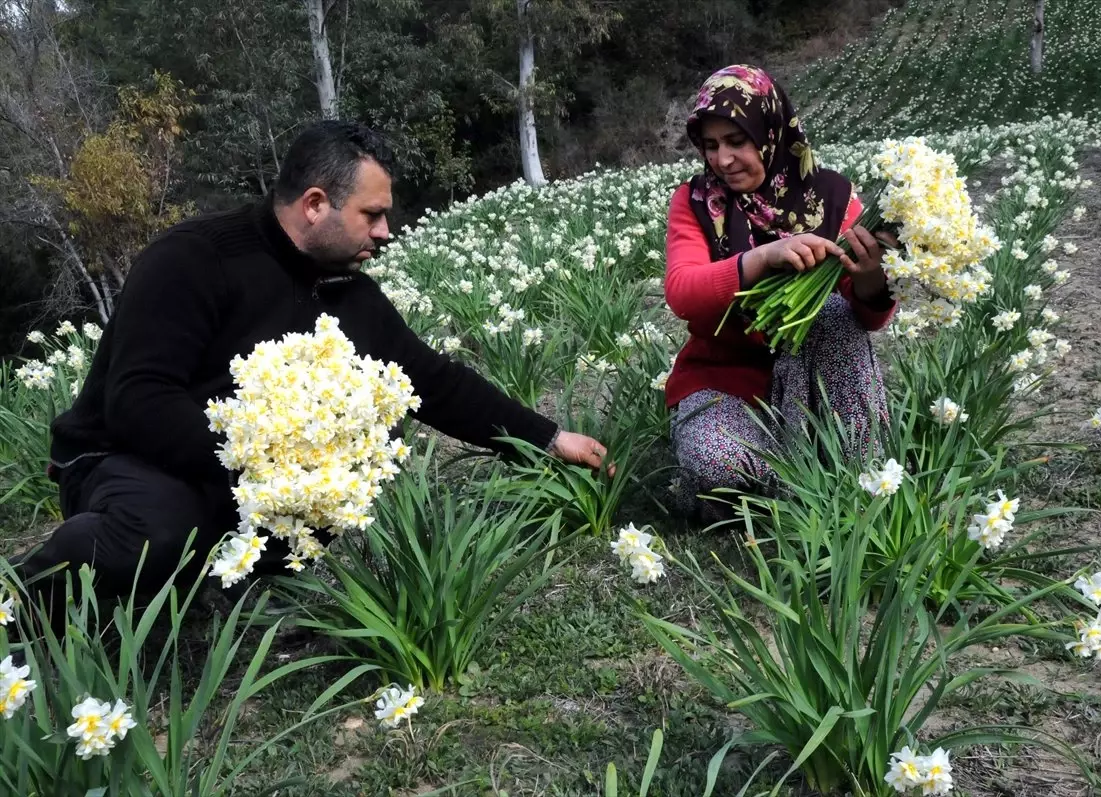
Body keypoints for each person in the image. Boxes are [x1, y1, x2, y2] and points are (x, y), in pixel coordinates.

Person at [12, 120, 611, 611]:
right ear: (316, 205)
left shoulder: (346, 291)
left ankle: (238, 573)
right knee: (157, 533)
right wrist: (273, 465)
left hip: (247, 474)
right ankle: (19, 599)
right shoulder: (193, 260)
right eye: (372, 215)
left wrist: (549, 438)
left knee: (369, 429)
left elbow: (434, 382)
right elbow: (138, 402)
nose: (385, 232)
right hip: (122, 456)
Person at [663, 65, 897, 522]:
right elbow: (682, 293)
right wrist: (764, 257)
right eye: (710, 146)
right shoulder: (695, 201)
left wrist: (871, 278)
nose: (722, 160)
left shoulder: (831, 196)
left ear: (770, 132)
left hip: (817, 383)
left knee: (830, 310)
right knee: (715, 461)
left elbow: (865, 318)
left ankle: (832, 475)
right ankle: (805, 476)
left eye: (736, 141)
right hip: (727, 381)